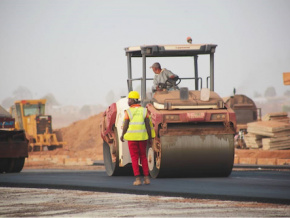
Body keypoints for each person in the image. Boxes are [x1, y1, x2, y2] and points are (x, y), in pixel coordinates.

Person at [120, 91, 155, 186]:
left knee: (134, 158)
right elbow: (148, 125)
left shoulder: (128, 112)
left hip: (132, 138)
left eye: (129, 99)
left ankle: (138, 179)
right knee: (143, 156)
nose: (128, 101)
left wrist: (122, 135)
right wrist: (151, 137)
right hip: (143, 138)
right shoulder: (144, 111)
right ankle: (147, 179)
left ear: (133, 100)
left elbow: (125, 125)